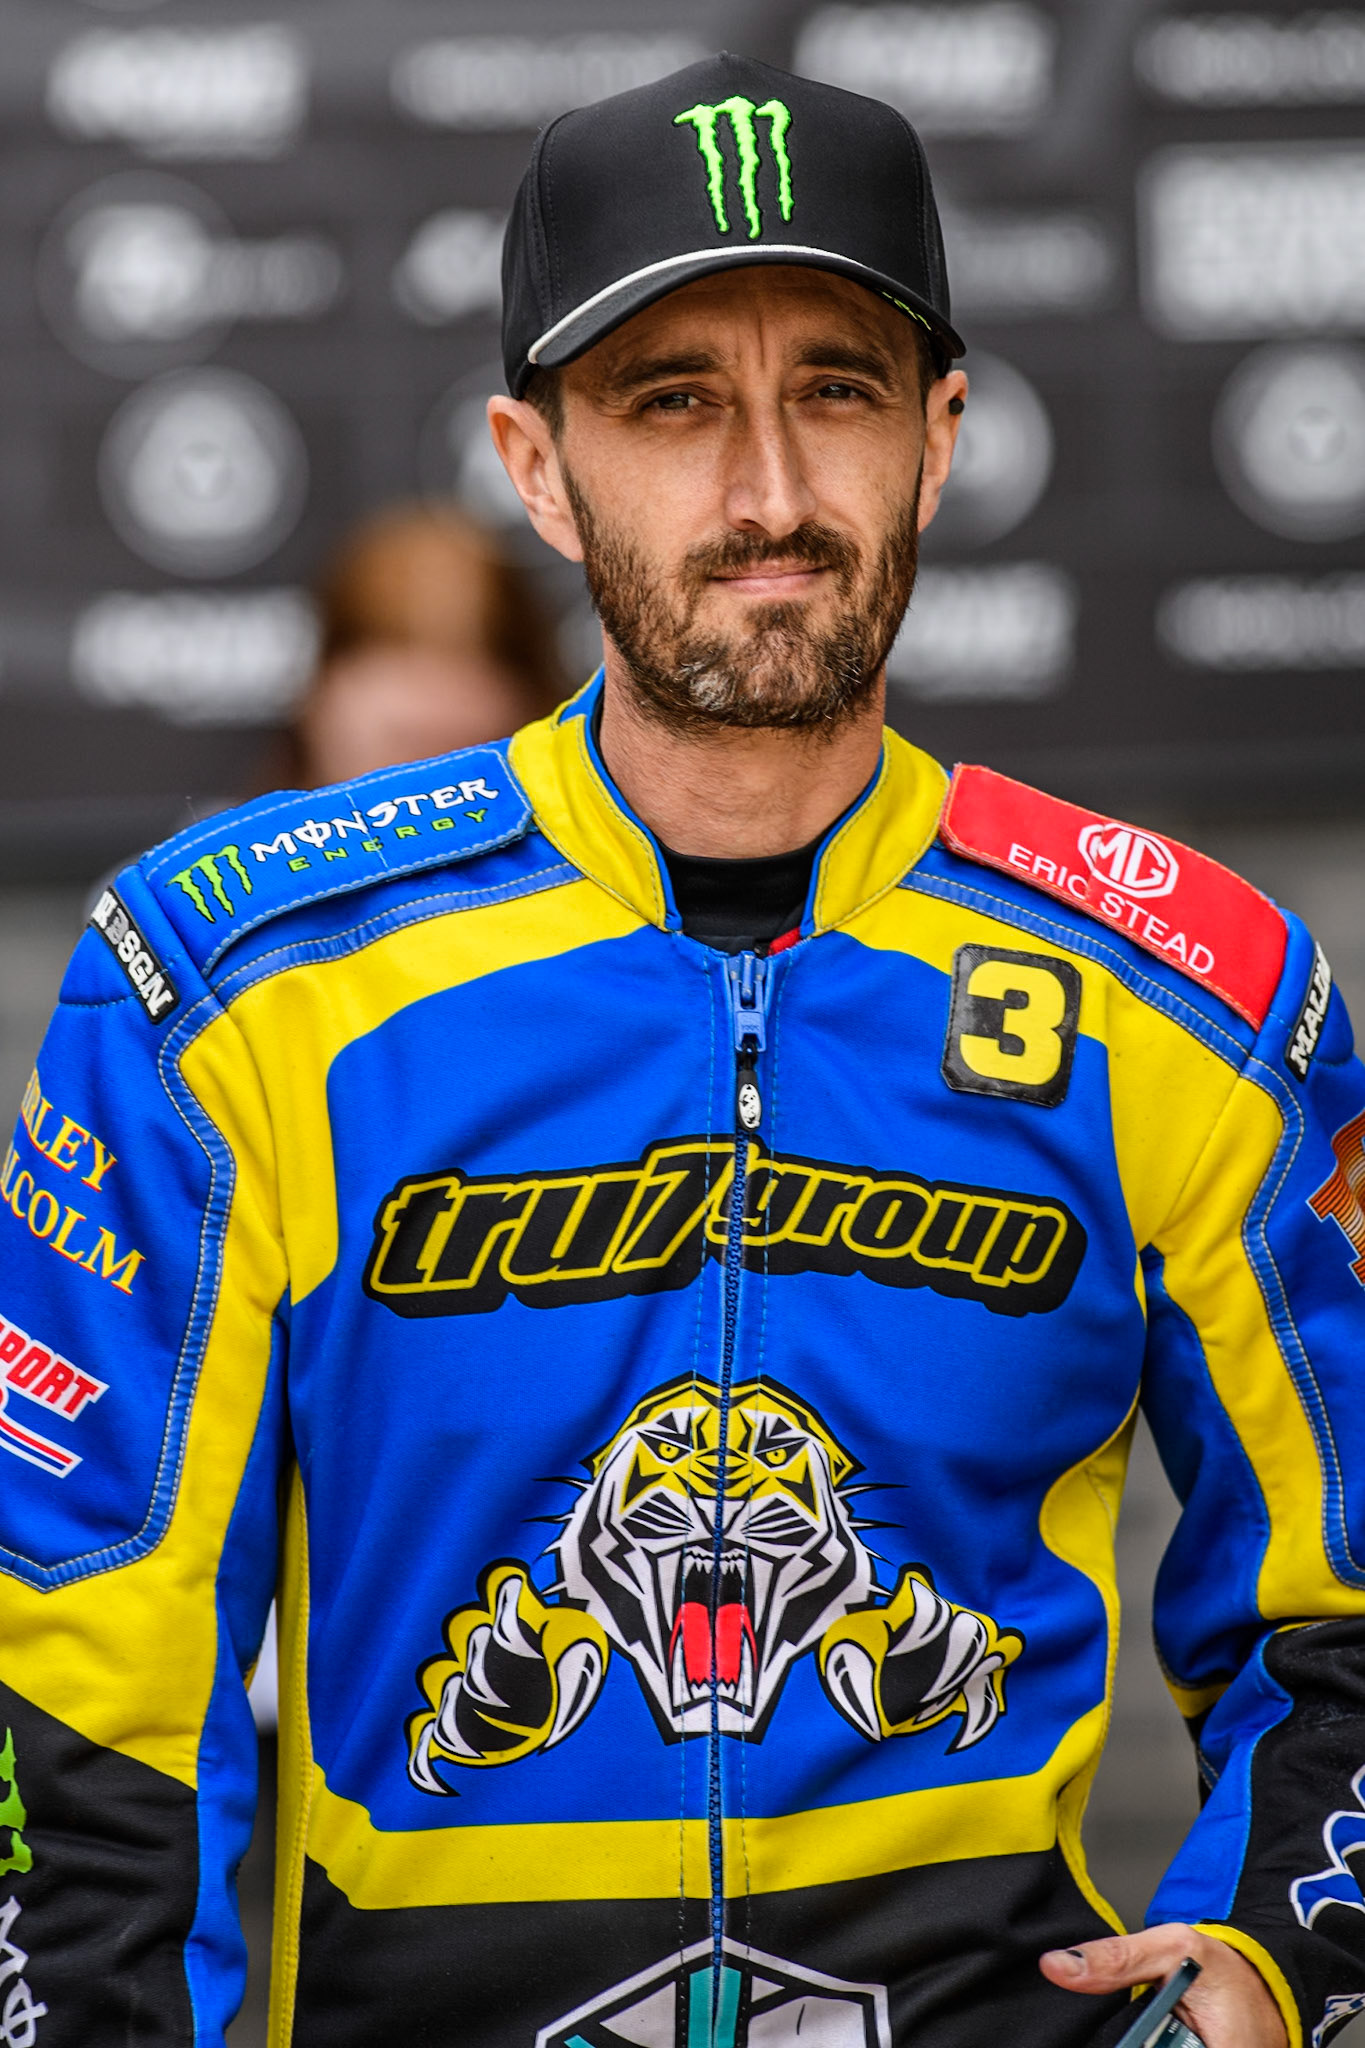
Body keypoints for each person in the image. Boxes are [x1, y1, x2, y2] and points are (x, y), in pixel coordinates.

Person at [2, 51, 1363, 2048]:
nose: (769, 494)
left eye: (838, 390)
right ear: (534, 463)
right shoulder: (228, 985)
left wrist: (1271, 1958)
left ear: (940, 437)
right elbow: (79, 1675)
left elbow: (1339, 1617)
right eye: (669, 401)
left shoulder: (1192, 995)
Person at [264, 502, 566, 789]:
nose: (429, 709)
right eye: (404, 736)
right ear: (316, 704)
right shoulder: (250, 827)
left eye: (464, 669)